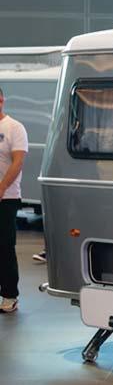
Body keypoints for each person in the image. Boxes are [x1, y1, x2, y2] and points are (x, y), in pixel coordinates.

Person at [0, 87, 28, 313]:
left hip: (6, 198)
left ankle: (10, 296)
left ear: (1, 100)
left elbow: (18, 162)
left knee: (4, 247)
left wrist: (1, 187)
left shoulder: (14, 128)